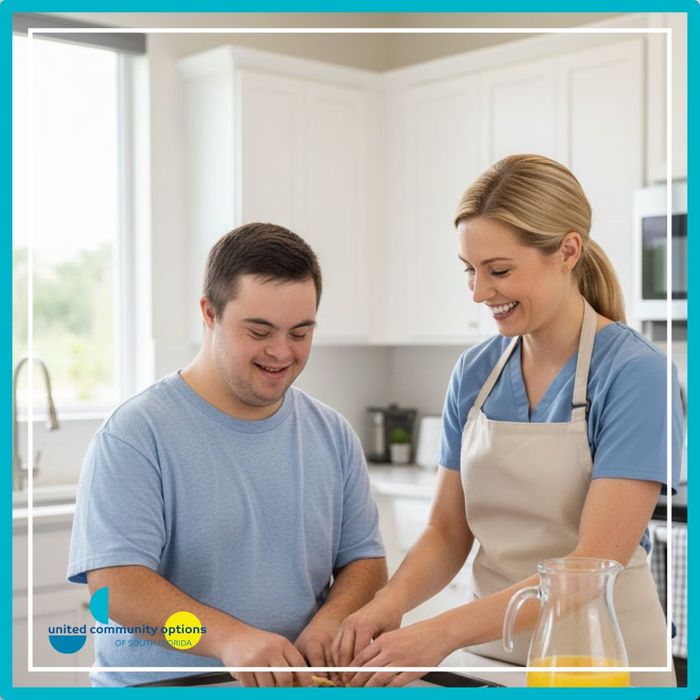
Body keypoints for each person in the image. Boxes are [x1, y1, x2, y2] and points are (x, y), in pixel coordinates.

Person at [331, 154, 683, 688]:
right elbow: (447, 532)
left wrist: (439, 633)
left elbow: (589, 570)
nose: (478, 292)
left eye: (498, 271)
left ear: (568, 251)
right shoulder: (475, 372)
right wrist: (387, 606)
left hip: (601, 665)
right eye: (469, 271)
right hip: (490, 659)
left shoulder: (637, 376)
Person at [67, 222, 387, 688]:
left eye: (301, 332)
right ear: (209, 313)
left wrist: (332, 619)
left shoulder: (333, 435)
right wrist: (228, 639)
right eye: (259, 331)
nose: (281, 352)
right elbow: (116, 586)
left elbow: (365, 562)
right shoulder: (135, 435)